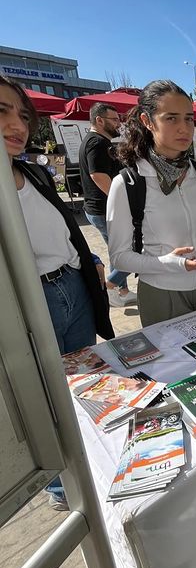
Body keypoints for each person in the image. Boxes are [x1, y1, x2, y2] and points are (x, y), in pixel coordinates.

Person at [1, 75, 114, 511]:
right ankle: (60, 486)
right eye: (2, 112)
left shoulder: (30, 171)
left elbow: (66, 229)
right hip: (27, 305)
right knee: (44, 394)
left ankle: (87, 462)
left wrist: (90, 262)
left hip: (70, 286)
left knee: (82, 379)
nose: (18, 124)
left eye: (22, 114)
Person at [107, 80, 196, 327]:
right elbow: (119, 258)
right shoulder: (128, 183)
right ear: (148, 122)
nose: (184, 128)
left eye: (189, 119)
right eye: (171, 118)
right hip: (162, 294)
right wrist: (166, 263)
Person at [79, 102, 136, 308]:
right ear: (99, 120)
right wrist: (121, 202)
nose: (118, 123)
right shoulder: (97, 143)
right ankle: (111, 287)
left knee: (117, 251)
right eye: (114, 119)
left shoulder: (96, 141)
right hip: (104, 211)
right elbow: (98, 175)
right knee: (129, 251)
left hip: (100, 210)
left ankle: (121, 291)